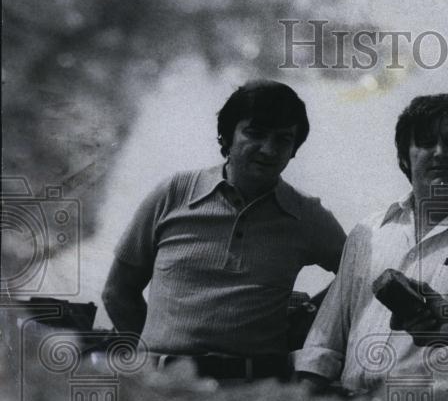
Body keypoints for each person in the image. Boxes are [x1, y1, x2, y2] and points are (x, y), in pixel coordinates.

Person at [101, 80, 347, 381]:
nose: (269, 150)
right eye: (255, 134)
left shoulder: (306, 214)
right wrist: (154, 360)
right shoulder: (174, 193)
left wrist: (310, 319)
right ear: (227, 137)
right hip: (164, 386)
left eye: (283, 139)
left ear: (294, 149)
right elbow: (118, 291)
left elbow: (355, 276)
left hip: (255, 390)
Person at [294, 94, 448, 395]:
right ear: (404, 157)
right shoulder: (368, 233)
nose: (440, 152)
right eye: (426, 142)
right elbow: (323, 344)